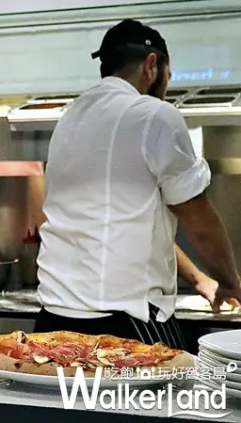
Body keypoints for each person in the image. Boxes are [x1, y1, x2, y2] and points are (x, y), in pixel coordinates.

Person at [33, 19, 241, 351]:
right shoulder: (154, 115)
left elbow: (133, 222)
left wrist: (200, 279)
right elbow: (198, 222)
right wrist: (232, 282)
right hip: (123, 327)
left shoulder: (70, 119)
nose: (166, 88)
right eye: (168, 78)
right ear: (152, 65)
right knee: (171, 398)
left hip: (52, 323)